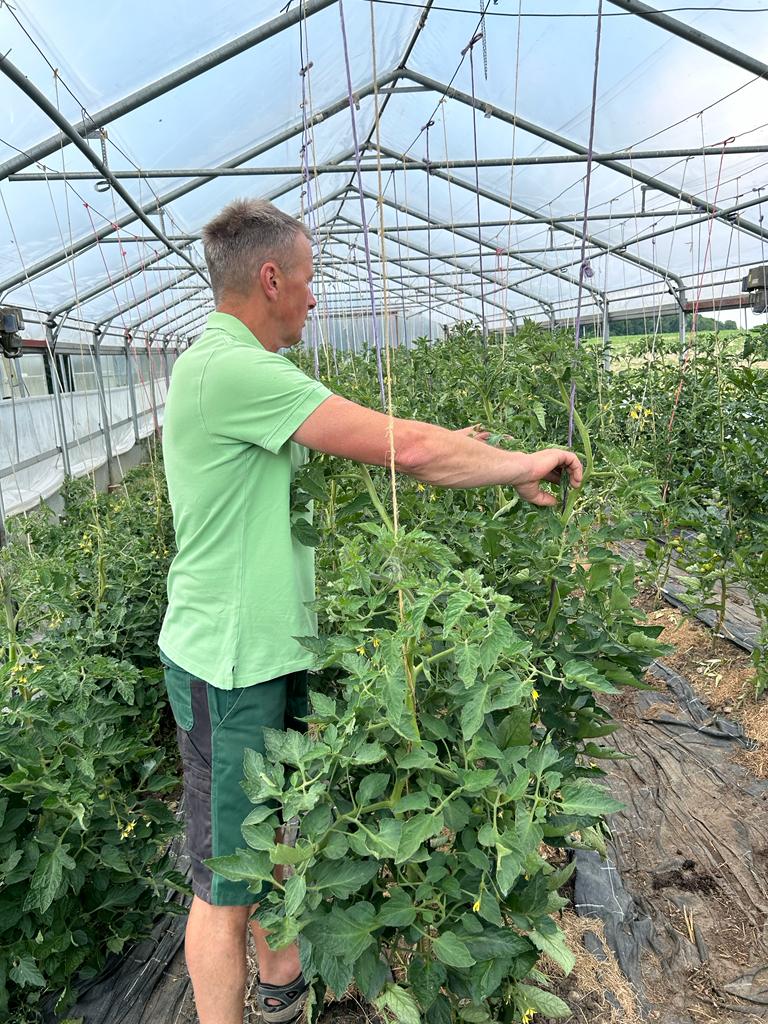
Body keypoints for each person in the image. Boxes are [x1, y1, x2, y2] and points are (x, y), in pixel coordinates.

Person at [158, 198, 583, 1024]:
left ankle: (280, 990)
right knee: (224, 882)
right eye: (309, 281)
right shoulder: (233, 368)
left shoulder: (233, 369)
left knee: (277, 834)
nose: (315, 300)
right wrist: (520, 461)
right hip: (228, 663)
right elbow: (408, 449)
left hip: (265, 652)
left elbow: (387, 440)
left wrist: (465, 449)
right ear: (271, 277)